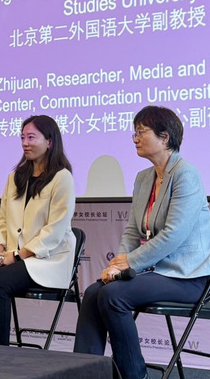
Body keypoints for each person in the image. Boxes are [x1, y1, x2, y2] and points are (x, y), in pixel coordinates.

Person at [74, 106, 210, 379]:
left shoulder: (186, 174)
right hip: (156, 271)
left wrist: (129, 263)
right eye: (134, 133)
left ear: (165, 137)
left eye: (141, 132)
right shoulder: (144, 178)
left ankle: (135, 375)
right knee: (93, 293)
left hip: (188, 276)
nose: (135, 138)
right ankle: (84, 373)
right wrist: (117, 264)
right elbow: (132, 230)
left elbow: (173, 234)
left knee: (113, 296)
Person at [0, 115, 76, 345]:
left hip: (47, 260)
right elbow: (2, 219)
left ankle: (0, 352)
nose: (25, 143)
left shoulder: (62, 177)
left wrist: (17, 255)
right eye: (22, 137)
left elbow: (55, 230)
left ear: (50, 141)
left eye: (31, 137)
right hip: (14, 257)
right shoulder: (15, 177)